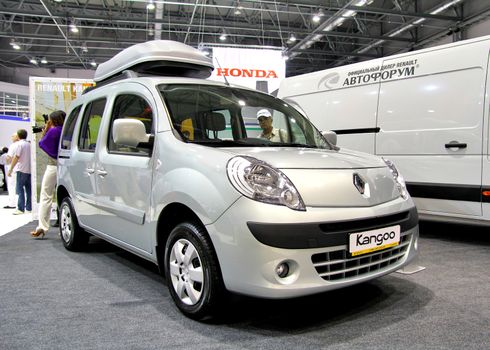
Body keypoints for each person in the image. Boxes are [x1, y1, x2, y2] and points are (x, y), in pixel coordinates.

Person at [31, 110, 65, 238]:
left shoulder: (54, 130)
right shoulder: (68, 130)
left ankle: (42, 227)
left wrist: (45, 130)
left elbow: (42, 144)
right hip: (68, 165)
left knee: (46, 196)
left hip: (53, 165)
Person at [7, 129, 31, 215]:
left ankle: (20, 208)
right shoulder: (29, 144)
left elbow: (16, 157)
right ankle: (29, 207)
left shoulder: (19, 145)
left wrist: (10, 169)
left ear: (18, 136)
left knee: (20, 189)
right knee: (29, 189)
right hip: (29, 170)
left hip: (21, 169)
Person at [4, 133, 20, 209]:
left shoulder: (13, 145)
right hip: (21, 168)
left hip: (13, 168)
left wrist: (7, 163)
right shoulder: (24, 144)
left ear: (17, 137)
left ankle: (12, 203)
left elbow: (9, 157)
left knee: (11, 185)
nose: (11, 137)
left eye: (13, 136)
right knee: (22, 186)